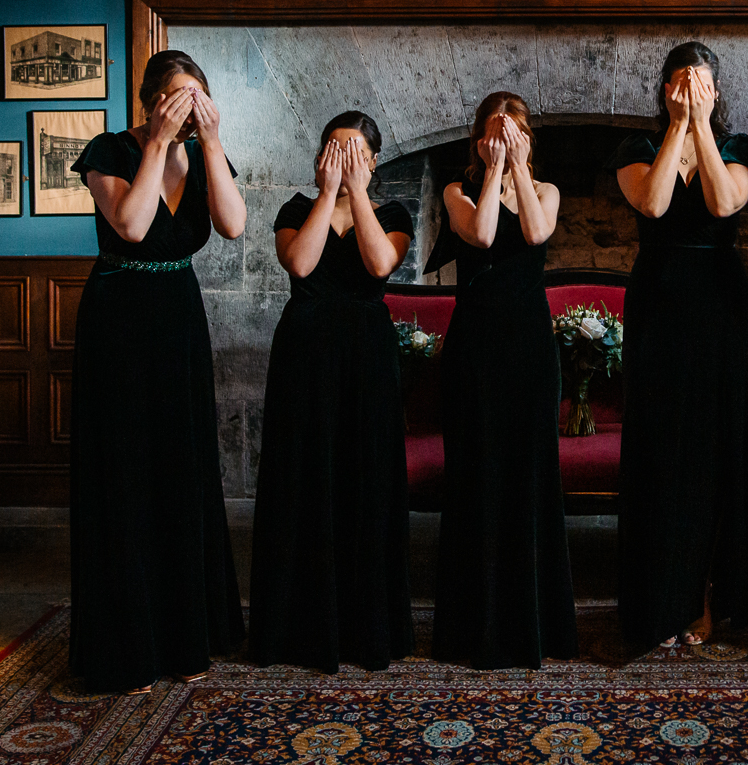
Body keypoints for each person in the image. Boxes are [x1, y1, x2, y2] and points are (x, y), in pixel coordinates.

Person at [68, 49, 247, 693]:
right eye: (177, 96)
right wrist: (159, 144)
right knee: (125, 471)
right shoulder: (110, 151)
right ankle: (127, 642)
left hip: (178, 319)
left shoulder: (203, 156)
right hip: (119, 320)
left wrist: (212, 139)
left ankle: (186, 635)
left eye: (198, 94)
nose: (189, 106)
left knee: (182, 468)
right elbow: (134, 223)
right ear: (149, 102)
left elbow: (232, 225)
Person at [612, 40, 748, 654]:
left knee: (714, 446)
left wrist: (701, 126)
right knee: (661, 445)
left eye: (700, 84)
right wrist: (679, 126)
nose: (689, 91)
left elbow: (723, 202)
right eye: (679, 83)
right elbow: (652, 205)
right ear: (663, 90)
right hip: (658, 298)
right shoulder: (638, 148)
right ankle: (660, 598)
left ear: (716, 91)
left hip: (719, 302)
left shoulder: (741, 150)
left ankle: (708, 596)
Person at [247, 112, 414, 672]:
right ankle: (297, 625)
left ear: (373, 160)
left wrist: (358, 196)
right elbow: (300, 262)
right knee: (303, 477)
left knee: (366, 479)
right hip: (305, 355)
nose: (342, 160)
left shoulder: (392, 212)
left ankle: (369, 626)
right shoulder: (296, 209)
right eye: (333, 149)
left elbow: (379, 263)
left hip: (367, 355)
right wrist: (326, 196)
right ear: (319, 156)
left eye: (354, 151)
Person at [429, 92, 578, 669]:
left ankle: (534, 620)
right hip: (475, 344)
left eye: (515, 130)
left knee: (528, 472)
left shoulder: (547, 191)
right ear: (478, 139)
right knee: (478, 472)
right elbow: (484, 236)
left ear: (529, 139)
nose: (506, 136)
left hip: (528, 346)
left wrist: (517, 166)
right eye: (495, 130)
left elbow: (536, 235)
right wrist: (493, 169)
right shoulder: (456, 191)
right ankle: (474, 624)